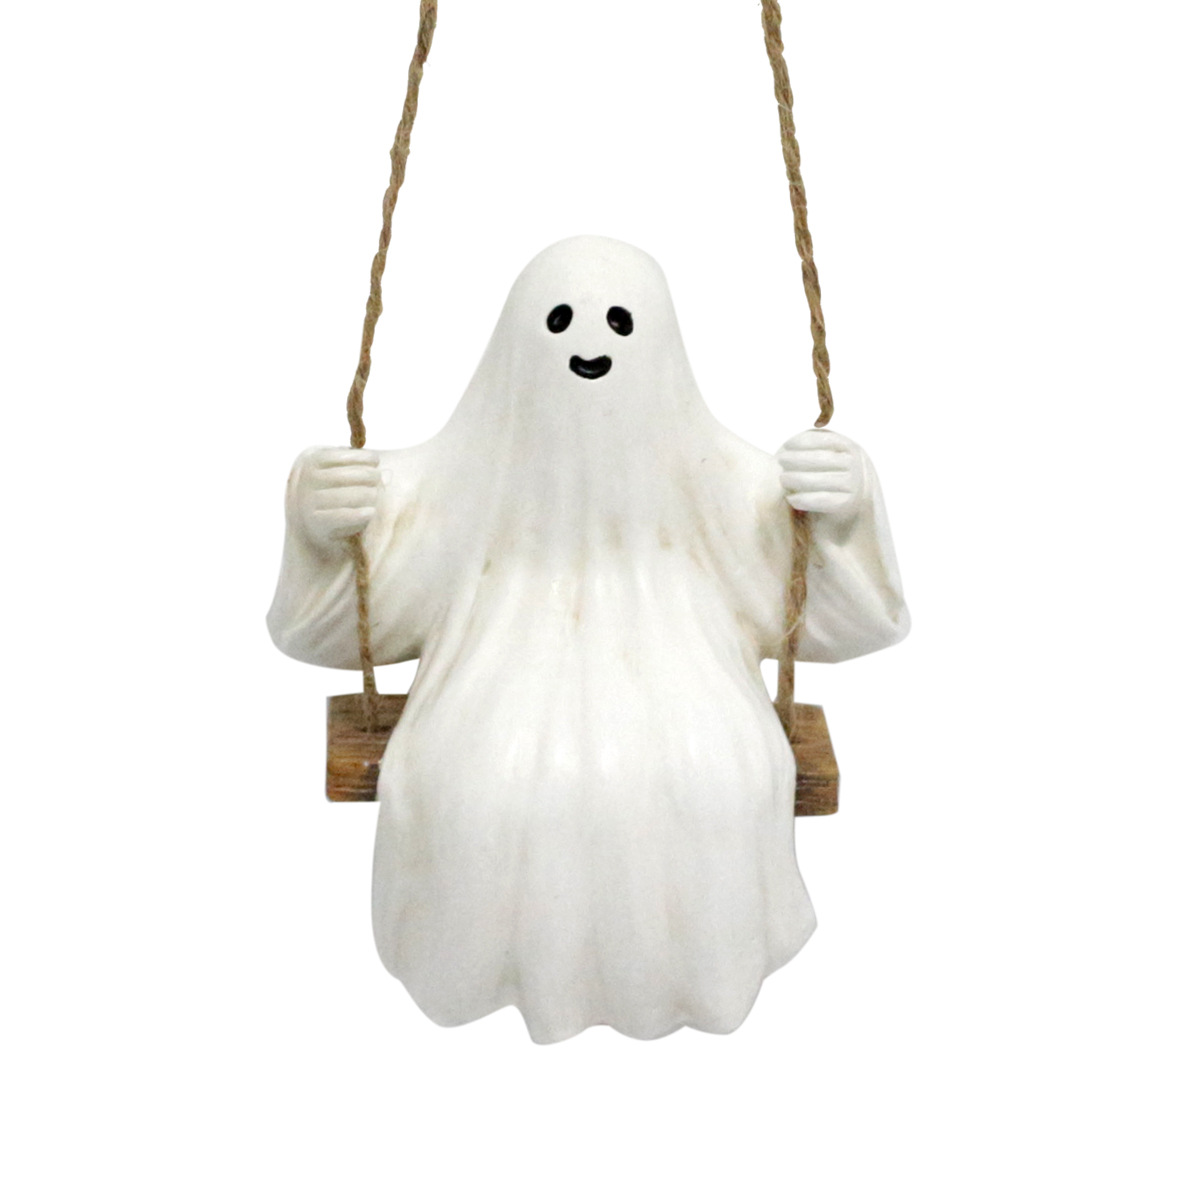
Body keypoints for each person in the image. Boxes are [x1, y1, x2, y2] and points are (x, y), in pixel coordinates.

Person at [268, 236, 909, 1042]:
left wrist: (843, 507)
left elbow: (842, 612)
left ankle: (697, 978)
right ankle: (485, 968)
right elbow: (328, 623)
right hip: (489, 678)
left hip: (689, 676)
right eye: (561, 320)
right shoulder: (450, 484)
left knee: (715, 777)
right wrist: (322, 521)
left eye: (619, 322)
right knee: (477, 787)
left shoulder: (723, 484)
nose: (590, 344)